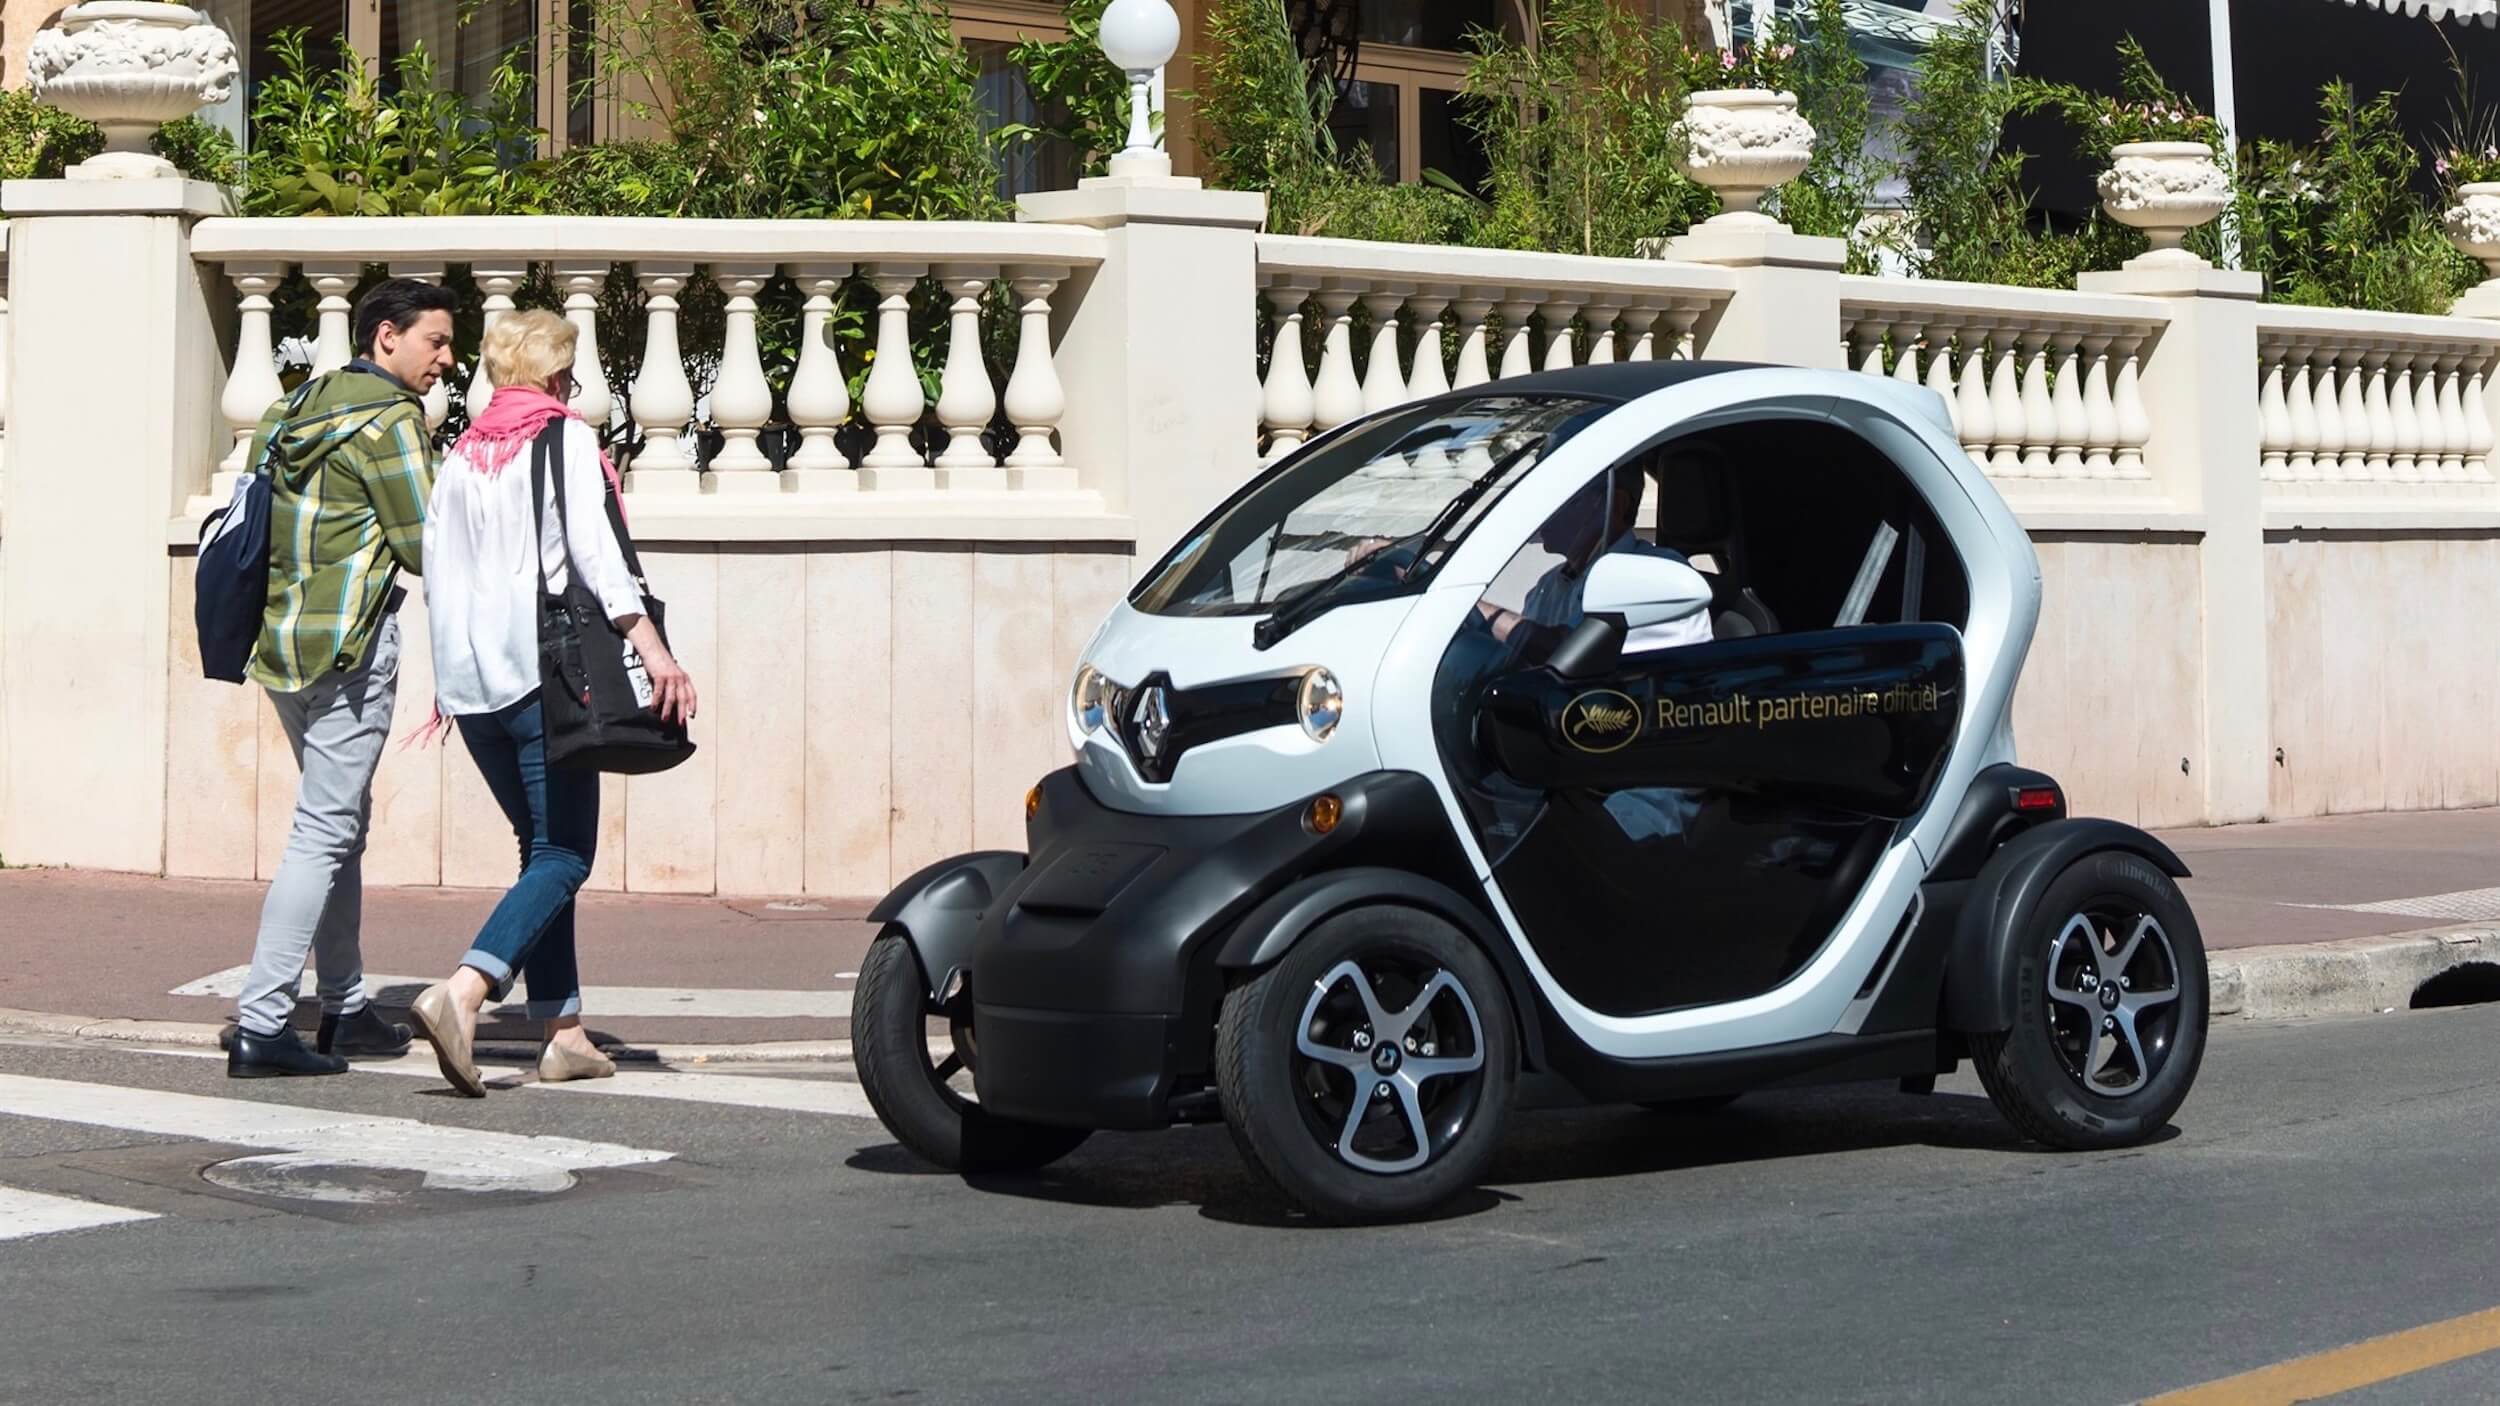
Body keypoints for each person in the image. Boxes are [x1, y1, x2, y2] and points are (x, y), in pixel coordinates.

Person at [406, 310, 697, 1097]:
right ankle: (464, 992)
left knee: (541, 853)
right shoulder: (562, 437)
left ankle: (563, 1031)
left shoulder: (462, 453)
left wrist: (451, 684)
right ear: (555, 374)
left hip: (469, 690)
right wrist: (656, 653)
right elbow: (599, 562)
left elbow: (437, 574)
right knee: (566, 855)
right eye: (569, 369)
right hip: (543, 680)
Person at [227, 279, 458, 1079]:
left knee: (339, 827)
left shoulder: (293, 408)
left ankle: (347, 1007)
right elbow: (428, 544)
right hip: (351, 646)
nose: (446, 360)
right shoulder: (391, 421)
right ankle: (262, 1023)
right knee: (324, 832)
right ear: (386, 336)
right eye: (436, 341)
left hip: (281, 642)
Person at [1478, 466, 1714, 660]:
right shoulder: (1549, 585)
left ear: (1616, 503)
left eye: (1563, 496)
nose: (1545, 509)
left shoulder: (1652, 572)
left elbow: (1570, 656)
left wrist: (1482, 613)